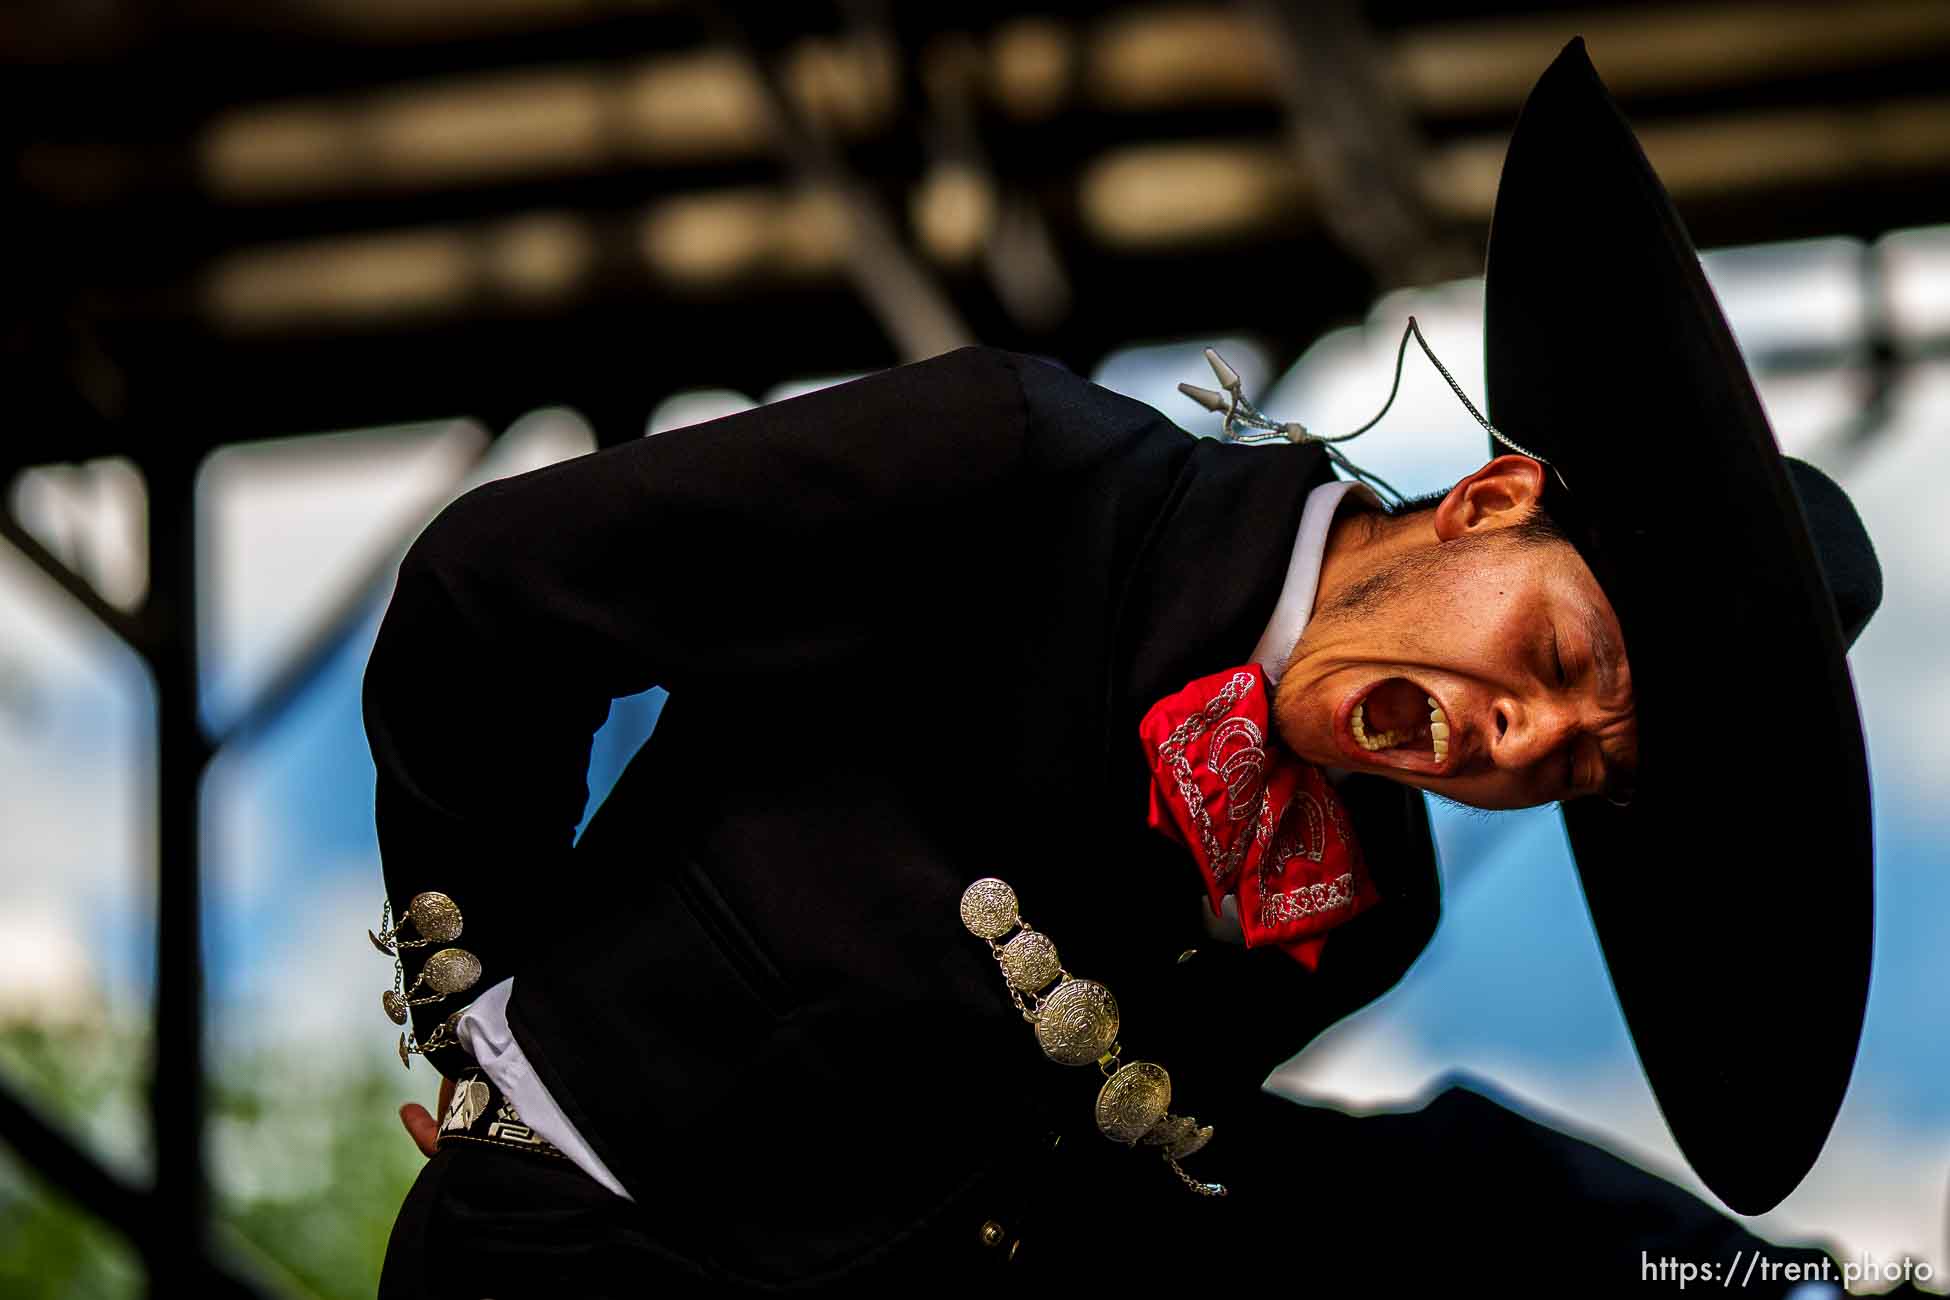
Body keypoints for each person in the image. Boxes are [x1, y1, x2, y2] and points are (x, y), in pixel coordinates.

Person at [366, 39, 1883, 1296]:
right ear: (1488, 502)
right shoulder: (1023, 466)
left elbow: (1070, 1172)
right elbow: (500, 586)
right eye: (1553, 656)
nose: (1519, 735)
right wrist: (482, 997)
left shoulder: (1375, 911)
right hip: (564, 1250)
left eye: (1575, 763)